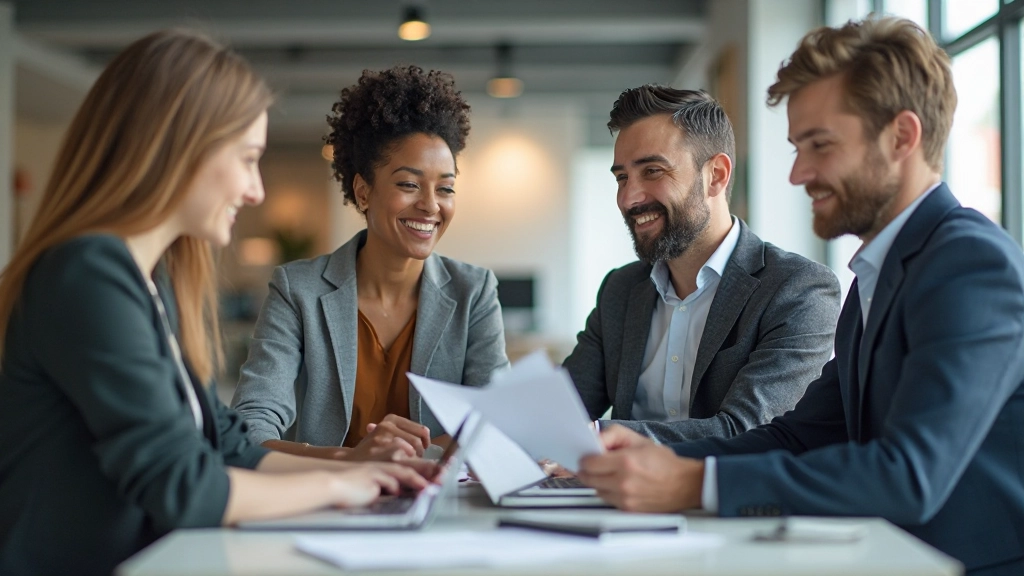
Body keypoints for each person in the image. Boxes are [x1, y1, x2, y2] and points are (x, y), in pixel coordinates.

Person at [577, 17, 1024, 575]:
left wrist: (695, 480)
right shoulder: (877, 276)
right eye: (796, 147)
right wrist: (651, 456)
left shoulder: (968, 262)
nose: (797, 173)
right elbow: (797, 435)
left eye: (819, 145)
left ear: (902, 138)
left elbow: (907, 476)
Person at [0, 31, 431, 576]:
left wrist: (357, 467)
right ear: (177, 148)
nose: (256, 191)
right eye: (248, 159)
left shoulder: (154, 282)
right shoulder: (85, 274)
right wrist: (340, 485)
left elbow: (225, 447)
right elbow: (184, 488)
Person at [231, 65, 509, 461]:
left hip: (437, 506)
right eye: (409, 184)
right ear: (363, 191)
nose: (431, 205)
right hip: (325, 502)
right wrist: (351, 461)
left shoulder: (474, 291)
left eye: (445, 188)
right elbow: (249, 427)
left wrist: (403, 457)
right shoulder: (298, 290)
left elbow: (496, 424)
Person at [563, 87, 840, 443]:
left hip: (726, 498)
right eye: (621, 177)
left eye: (652, 171)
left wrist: (601, 436)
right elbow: (562, 410)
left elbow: (747, 433)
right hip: (613, 498)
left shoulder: (798, 289)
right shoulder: (621, 289)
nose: (629, 197)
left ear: (716, 175)